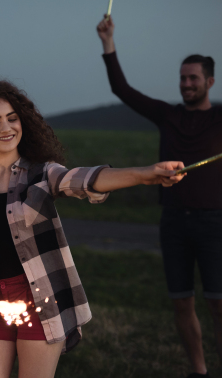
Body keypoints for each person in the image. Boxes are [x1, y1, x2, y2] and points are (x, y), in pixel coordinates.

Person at [0, 80, 185, 378]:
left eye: (12, 118)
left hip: (41, 297)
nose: (6, 127)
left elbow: (81, 179)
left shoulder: (43, 172)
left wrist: (143, 174)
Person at [97, 15, 222, 378]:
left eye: (193, 78)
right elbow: (122, 89)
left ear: (209, 82)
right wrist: (108, 42)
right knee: (182, 303)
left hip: (216, 223)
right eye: (182, 78)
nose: (185, 84)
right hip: (173, 222)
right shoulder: (167, 115)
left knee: (218, 305)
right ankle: (197, 371)